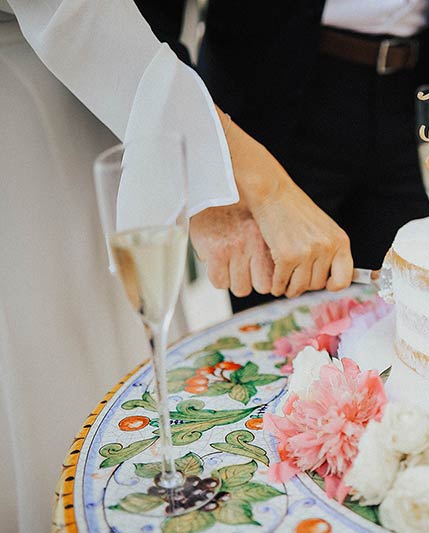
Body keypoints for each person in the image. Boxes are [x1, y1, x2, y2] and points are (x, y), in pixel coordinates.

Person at [1, 0, 351, 530]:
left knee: (134, 357)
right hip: (38, 116)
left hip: (131, 100)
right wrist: (262, 183)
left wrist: (191, 152)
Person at [135, 0, 429, 312]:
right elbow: (145, 20)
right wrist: (200, 152)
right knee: (280, 328)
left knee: (414, 310)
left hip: (421, 92)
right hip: (271, 93)